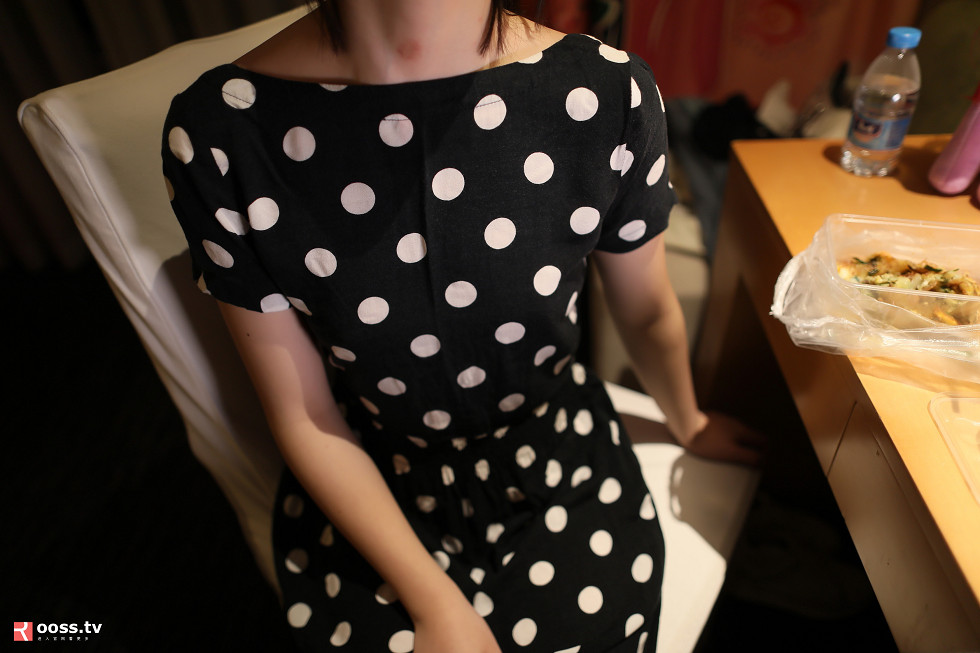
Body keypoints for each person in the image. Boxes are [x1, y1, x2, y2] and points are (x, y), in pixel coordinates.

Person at [162, 1, 764, 651]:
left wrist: (687, 420)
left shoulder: (607, 92)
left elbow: (645, 308)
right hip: (376, 477)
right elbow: (304, 413)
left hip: (555, 456)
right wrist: (435, 607)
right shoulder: (219, 134)